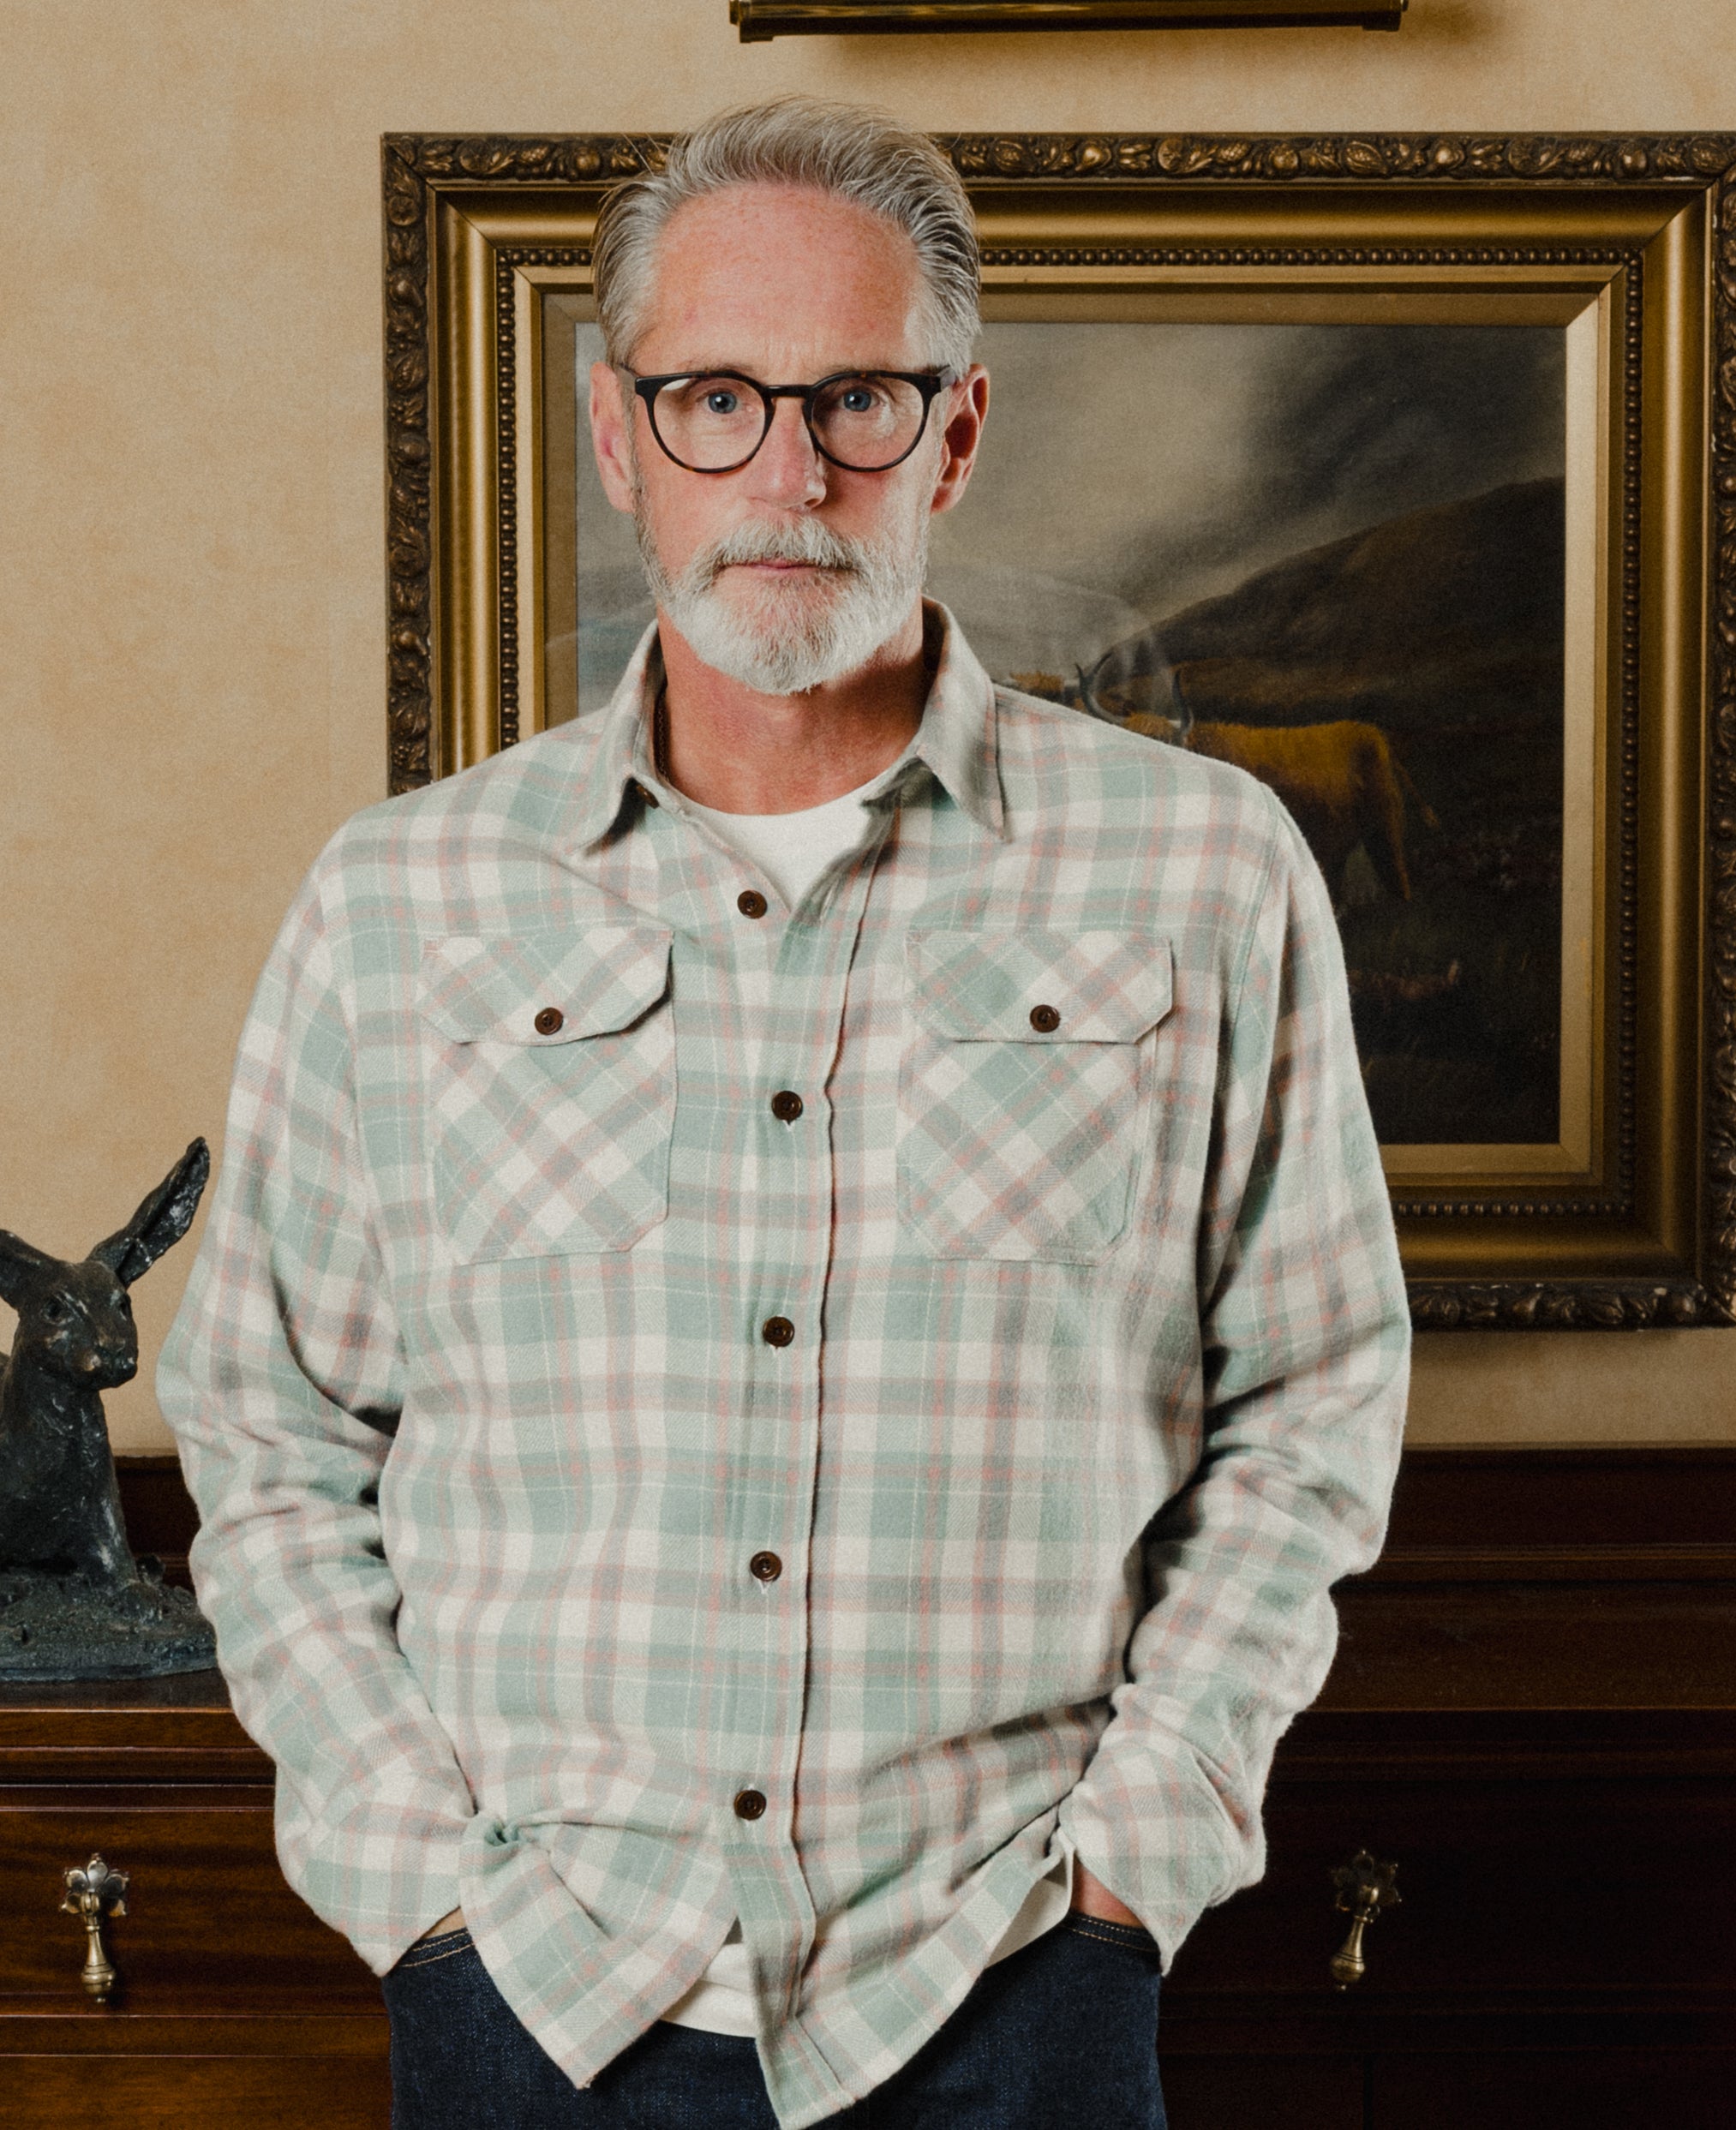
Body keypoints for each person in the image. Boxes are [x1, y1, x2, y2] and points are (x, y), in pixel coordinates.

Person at [159, 96, 1410, 2130]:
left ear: (958, 430)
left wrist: (1135, 1863)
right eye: (716, 399)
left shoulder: (1207, 869)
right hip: (533, 2001)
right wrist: (417, 1890)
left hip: (1014, 1982)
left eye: (856, 400)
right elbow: (272, 1432)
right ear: (615, 432)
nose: (789, 472)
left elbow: (1312, 1402)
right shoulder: (400, 895)